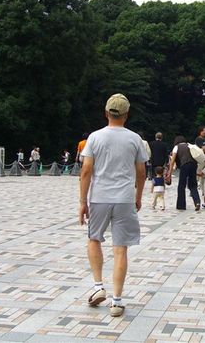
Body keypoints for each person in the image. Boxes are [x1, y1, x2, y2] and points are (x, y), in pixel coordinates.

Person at [78, 93, 147, 318]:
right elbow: (141, 171)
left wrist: (82, 202)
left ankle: (99, 286)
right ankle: (117, 302)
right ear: (126, 115)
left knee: (94, 239)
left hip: (99, 197)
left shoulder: (95, 137)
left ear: (106, 112)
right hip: (125, 198)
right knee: (120, 249)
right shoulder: (135, 139)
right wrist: (138, 195)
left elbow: (86, 170)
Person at [166, 136, 201, 211]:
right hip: (193, 165)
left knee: (181, 185)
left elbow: (172, 161)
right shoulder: (189, 145)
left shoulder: (177, 147)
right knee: (193, 185)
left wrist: (169, 173)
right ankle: (197, 202)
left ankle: (181, 205)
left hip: (184, 165)